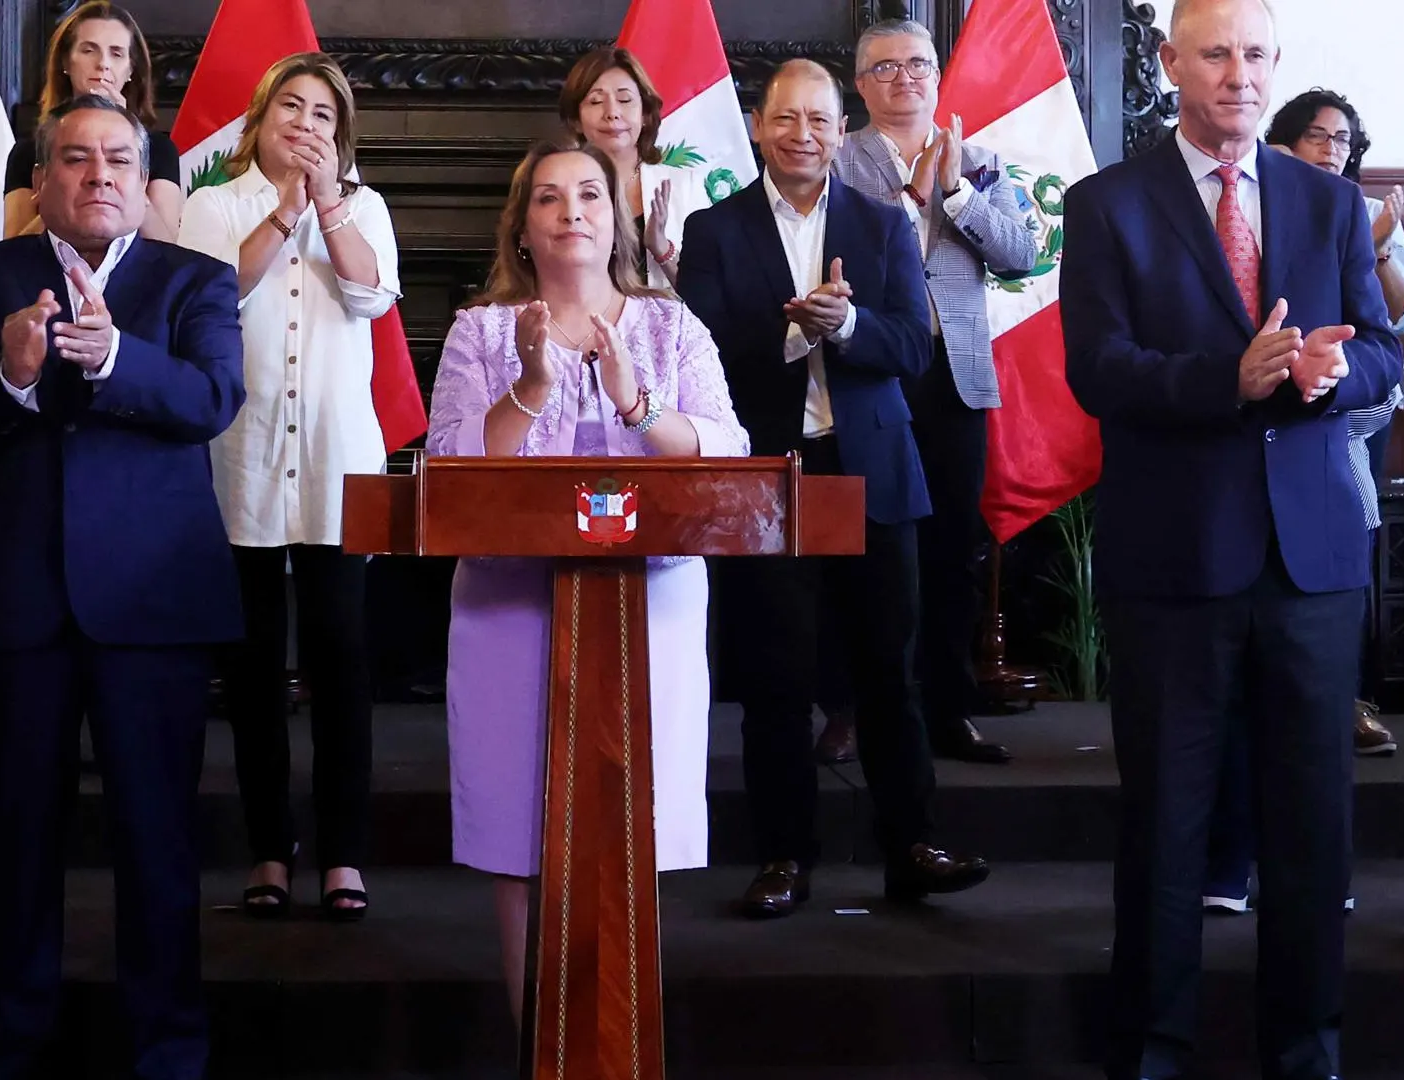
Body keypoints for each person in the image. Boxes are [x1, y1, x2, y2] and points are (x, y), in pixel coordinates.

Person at [1059, 0, 1404, 1074]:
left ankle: (1306, 1052)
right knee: (1166, 828)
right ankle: (1151, 1051)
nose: (1240, 76)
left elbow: (1385, 350)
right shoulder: (1108, 204)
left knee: (1311, 831)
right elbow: (1096, 368)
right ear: (1171, 64)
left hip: (1312, 565)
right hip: (1175, 562)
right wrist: (1229, 377)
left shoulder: (1327, 202)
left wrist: (1338, 372)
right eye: (1216, 53)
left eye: (1256, 55)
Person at [0, 94, 243, 1080]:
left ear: (144, 184)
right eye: (76, 160)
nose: (98, 175)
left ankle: (168, 1044)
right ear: (43, 179)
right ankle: (13, 1036)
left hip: (151, 605)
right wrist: (8, 378)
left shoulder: (196, 282)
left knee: (155, 836)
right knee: (16, 837)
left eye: (117, 162)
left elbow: (213, 401)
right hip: (17, 599)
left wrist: (118, 361)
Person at [427, 136, 749, 1025]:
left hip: (648, 602)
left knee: (628, 827)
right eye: (549, 198)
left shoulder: (671, 325)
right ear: (522, 228)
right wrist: (530, 385)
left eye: (590, 196)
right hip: (510, 607)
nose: (571, 211)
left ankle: (617, 1037)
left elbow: (727, 453)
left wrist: (637, 405)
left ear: (617, 222)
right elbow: (448, 468)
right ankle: (541, 1047)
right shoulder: (482, 330)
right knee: (519, 830)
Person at [675, 59, 990, 920]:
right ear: (757, 125)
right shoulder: (715, 231)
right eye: (787, 119)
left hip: (872, 474)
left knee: (890, 668)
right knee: (776, 674)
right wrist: (790, 327)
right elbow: (696, 357)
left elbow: (913, 352)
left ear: (838, 125)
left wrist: (847, 324)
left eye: (819, 120)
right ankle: (784, 854)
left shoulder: (884, 226)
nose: (803, 135)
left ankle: (911, 844)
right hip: (771, 477)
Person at [178, 52, 396, 920]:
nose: (305, 126)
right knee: (255, 670)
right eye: (291, 110)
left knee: (345, 663)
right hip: (244, 458)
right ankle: (270, 849)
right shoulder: (211, 206)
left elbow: (369, 295)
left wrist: (328, 206)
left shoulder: (366, 205)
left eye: (323, 116)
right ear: (259, 120)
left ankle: (345, 856)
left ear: (339, 135)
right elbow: (208, 298)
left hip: (342, 462)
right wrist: (279, 216)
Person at [1202, 88, 1404, 917]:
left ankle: (1316, 875)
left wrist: (1333, 374)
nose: (1332, 150)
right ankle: (1226, 862)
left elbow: (1381, 343)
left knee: (1310, 706)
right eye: (1318, 136)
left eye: (1343, 139)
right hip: (1214, 487)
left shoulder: (1343, 214)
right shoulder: (1210, 209)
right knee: (1222, 702)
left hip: (1327, 469)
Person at [833, 20, 1038, 766]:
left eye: (919, 64)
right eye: (886, 67)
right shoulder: (834, 160)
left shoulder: (978, 162)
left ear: (937, 75)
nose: (906, 78)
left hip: (952, 379)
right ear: (861, 85)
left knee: (952, 551)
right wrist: (912, 195)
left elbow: (1022, 254)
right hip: (871, 374)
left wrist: (953, 193)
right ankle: (855, 708)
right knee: (864, 550)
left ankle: (949, 710)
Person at [4, 1, 182, 241]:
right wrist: (61, 195)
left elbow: (167, 245)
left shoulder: (159, 149)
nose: (103, 64)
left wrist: (123, 135)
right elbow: (12, 250)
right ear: (66, 62)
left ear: (131, 70)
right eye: (89, 50)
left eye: (116, 53)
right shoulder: (28, 151)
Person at [559, 46, 704, 289]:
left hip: (665, 324)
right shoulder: (557, 190)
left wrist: (661, 248)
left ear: (646, 114)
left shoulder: (684, 186)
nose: (612, 113)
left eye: (625, 100)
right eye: (596, 101)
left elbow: (708, 295)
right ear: (576, 120)